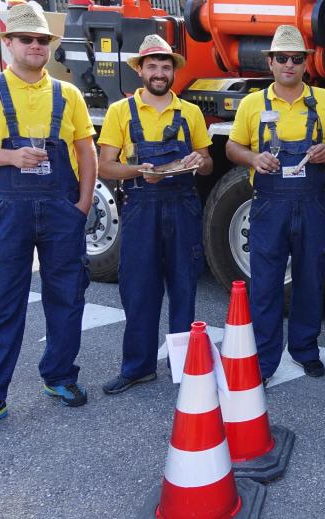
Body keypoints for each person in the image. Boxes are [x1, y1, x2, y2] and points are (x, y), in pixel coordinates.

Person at [0, 1, 96, 440]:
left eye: (42, 39)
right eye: (26, 38)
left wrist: (83, 205)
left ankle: (60, 376)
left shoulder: (68, 94)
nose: (35, 45)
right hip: (6, 210)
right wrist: (10, 157)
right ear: (8, 42)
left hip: (61, 210)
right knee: (1, 305)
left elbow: (85, 151)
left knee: (67, 298)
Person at [225, 25, 325, 382]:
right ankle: (264, 361)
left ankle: (305, 350)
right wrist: (253, 158)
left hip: (313, 204)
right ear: (271, 62)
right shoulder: (253, 104)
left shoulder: (324, 101)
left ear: (306, 63)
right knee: (265, 285)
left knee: (311, 280)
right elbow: (232, 147)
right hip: (269, 206)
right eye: (282, 58)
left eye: (296, 58)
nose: (289, 64)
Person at [96, 35, 213, 394]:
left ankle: (184, 368)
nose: (159, 73)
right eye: (152, 66)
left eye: (165, 66)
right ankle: (138, 368)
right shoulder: (120, 111)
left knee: (183, 289)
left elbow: (208, 164)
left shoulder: (190, 112)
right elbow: (105, 166)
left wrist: (199, 161)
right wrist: (137, 171)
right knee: (139, 290)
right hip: (140, 206)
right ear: (140, 71)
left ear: (173, 71)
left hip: (183, 207)